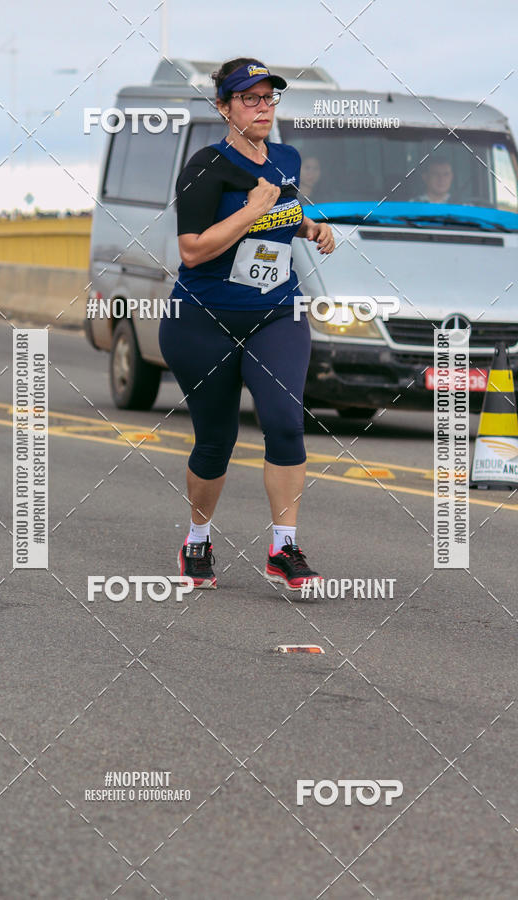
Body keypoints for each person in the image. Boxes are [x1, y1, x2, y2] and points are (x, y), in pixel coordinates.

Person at [159, 57, 335, 591]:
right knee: (217, 438)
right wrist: (254, 209)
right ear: (224, 107)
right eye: (250, 98)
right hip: (203, 319)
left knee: (284, 422)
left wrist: (304, 225)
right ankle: (197, 538)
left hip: (276, 312)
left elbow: (274, 219)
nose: (263, 107)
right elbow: (192, 251)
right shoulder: (203, 167)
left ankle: (283, 549)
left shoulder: (286, 157)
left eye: (269, 98)